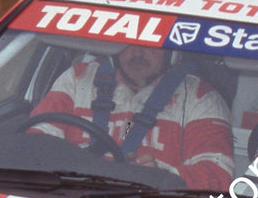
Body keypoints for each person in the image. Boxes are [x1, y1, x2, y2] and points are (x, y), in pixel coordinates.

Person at [31, 45, 235, 189]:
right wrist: (73, 161)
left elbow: (218, 175)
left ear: (171, 51)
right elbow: (34, 140)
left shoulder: (200, 97)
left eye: (151, 45)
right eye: (129, 43)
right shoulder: (77, 78)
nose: (137, 53)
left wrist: (163, 175)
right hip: (71, 195)